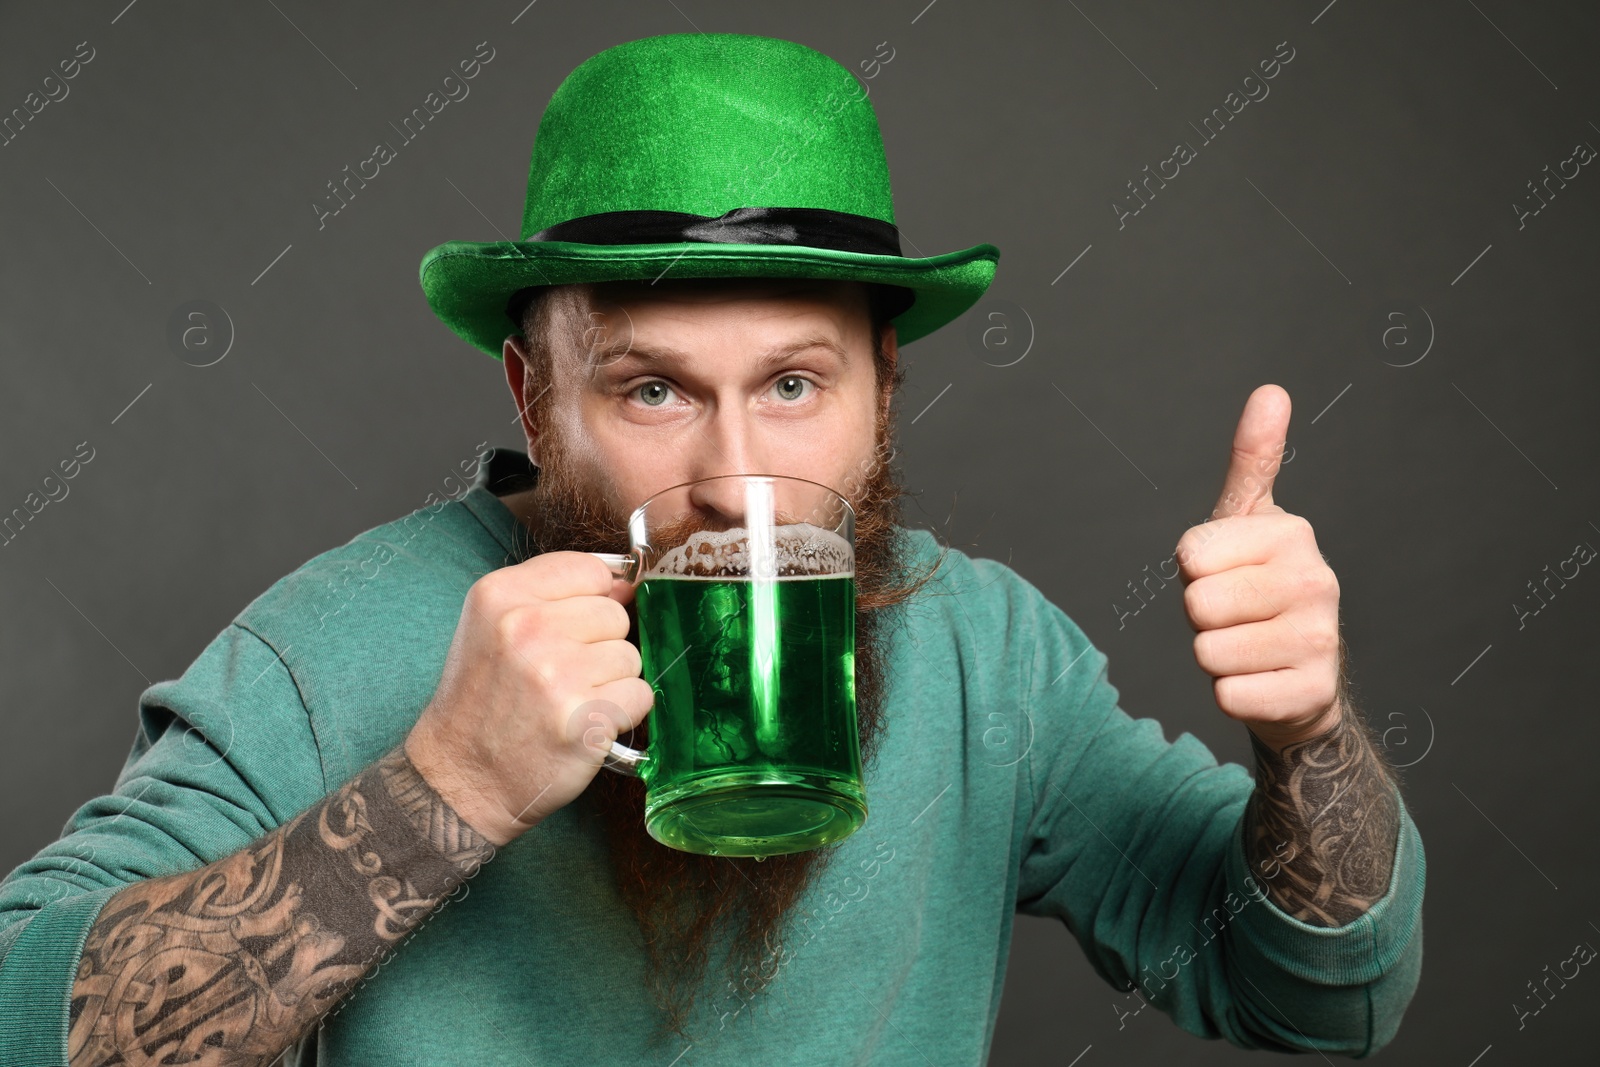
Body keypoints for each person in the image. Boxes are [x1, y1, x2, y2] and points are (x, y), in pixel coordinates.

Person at [0, 32, 1423, 1065]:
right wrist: (446, 792)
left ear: (884, 397)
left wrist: (1309, 739)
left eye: (794, 386)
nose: (736, 484)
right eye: (653, 389)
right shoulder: (333, 653)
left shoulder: (987, 654)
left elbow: (1320, 995)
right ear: (533, 399)